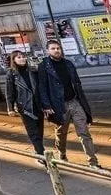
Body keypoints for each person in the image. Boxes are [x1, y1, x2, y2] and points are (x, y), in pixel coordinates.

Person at [38, 40, 101, 169]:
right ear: (48, 51)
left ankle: (93, 161)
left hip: (75, 102)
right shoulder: (44, 66)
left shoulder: (68, 64)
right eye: (53, 48)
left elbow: (77, 83)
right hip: (59, 105)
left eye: (58, 48)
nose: (56, 50)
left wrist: (82, 101)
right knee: (62, 133)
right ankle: (61, 152)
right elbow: (42, 87)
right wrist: (46, 105)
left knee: (84, 132)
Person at [6, 51, 45, 166]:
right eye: (19, 57)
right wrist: (10, 108)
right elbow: (10, 92)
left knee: (39, 130)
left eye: (23, 57)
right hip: (25, 107)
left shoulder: (32, 71)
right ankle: (42, 156)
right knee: (33, 132)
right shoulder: (11, 74)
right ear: (14, 60)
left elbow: (40, 87)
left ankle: (38, 151)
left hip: (37, 105)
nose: (22, 59)